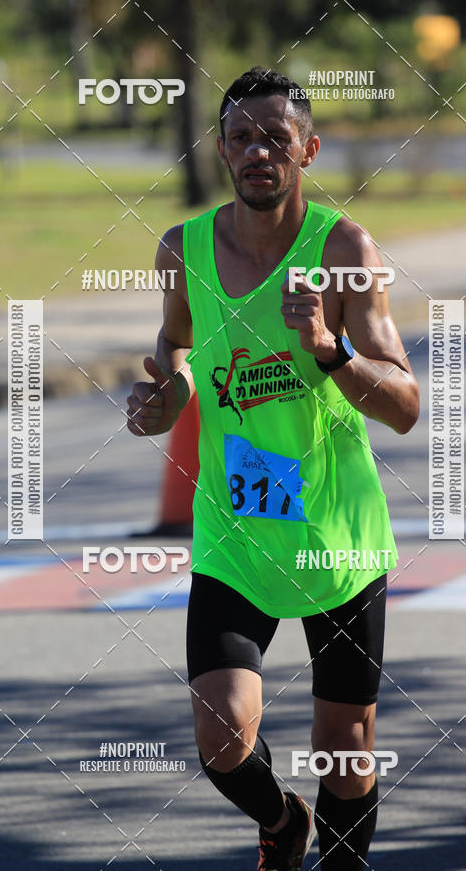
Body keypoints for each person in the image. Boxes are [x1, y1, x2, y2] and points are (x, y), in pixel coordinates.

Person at [127, 66, 419, 870]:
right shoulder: (181, 249)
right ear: (220, 150)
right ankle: (283, 823)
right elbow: (176, 344)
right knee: (221, 732)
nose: (258, 150)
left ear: (309, 150)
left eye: (275, 138)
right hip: (238, 532)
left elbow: (404, 404)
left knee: (346, 746)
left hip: (337, 534)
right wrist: (169, 394)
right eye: (241, 137)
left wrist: (332, 352)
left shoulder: (344, 249)